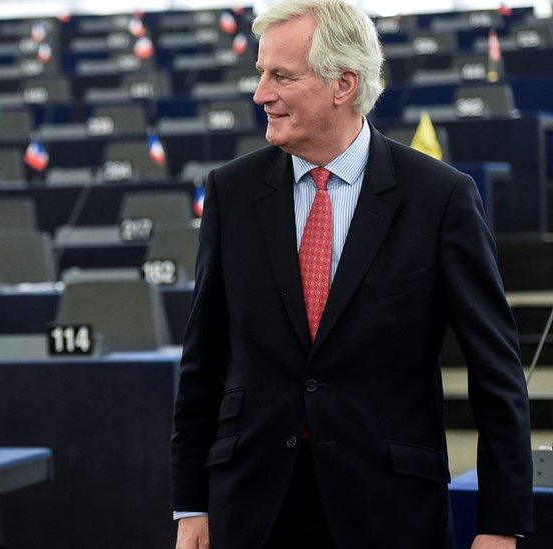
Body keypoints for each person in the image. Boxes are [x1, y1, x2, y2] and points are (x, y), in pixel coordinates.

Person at [171, 1, 532, 548]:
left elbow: (496, 372)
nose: (260, 93)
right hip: (252, 508)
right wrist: (189, 504)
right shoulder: (231, 192)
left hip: (390, 510)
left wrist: (500, 525)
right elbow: (203, 360)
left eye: (281, 76)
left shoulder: (441, 198)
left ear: (343, 83)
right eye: (260, 74)